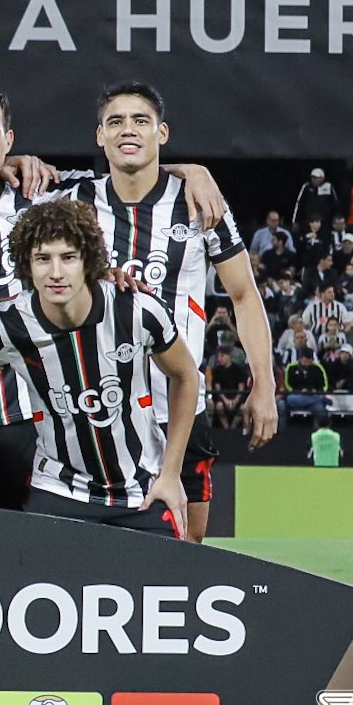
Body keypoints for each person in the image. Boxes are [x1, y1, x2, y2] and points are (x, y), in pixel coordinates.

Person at [61, 81, 275, 542]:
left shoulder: (200, 204)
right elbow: (5, 173)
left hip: (178, 404)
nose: (127, 130)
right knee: (90, 552)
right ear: (99, 136)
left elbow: (243, 296)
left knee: (189, 548)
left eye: (140, 120)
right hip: (99, 409)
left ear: (162, 132)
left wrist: (265, 382)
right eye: (115, 122)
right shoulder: (73, 199)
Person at [0, 199, 197, 536]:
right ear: (26, 266)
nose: (56, 272)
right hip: (59, 493)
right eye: (43, 259)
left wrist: (171, 474)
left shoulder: (137, 310)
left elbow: (186, 375)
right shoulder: (10, 326)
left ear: (87, 261)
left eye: (68, 257)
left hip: (144, 492)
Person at [207, 348, 250, 430]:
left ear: (229, 356)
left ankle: (233, 427)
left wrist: (235, 401)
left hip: (237, 397)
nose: (219, 359)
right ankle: (226, 428)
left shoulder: (238, 369)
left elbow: (241, 388)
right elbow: (217, 388)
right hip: (222, 397)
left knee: (243, 407)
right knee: (219, 406)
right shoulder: (217, 370)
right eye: (218, 356)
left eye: (222, 356)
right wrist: (226, 401)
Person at [282, 350, 330, 421]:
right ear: (300, 359)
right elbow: (288, 385)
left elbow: (324, 385)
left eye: (309, 361)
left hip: (313, 395)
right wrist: (300, 391)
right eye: (305, 361)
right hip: (297, 395)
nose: (307, 363)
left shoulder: (318, 368)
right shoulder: (291, 367)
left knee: (320, 409)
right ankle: (320, 400)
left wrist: (316, 391)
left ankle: (320, 430)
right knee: (290, 398)